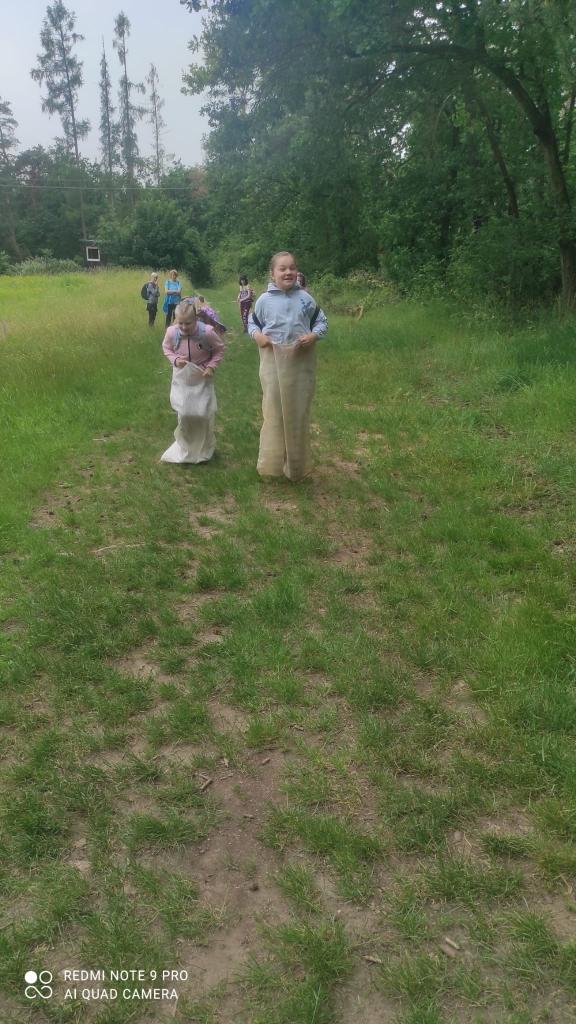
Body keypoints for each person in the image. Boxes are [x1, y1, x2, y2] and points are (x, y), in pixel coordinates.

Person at [248, 251, 327, 481]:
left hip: (300, 364)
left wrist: (313, 335)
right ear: (272, 274)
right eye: (282, 268)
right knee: (274, 411)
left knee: (297, 411)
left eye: (292, 268)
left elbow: (322, 322)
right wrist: (258, 336)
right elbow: (252, 323)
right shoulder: (264, 301)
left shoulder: (305, 299)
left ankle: (296, 466)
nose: (288, 272)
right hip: (272, 363)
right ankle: (272, 465)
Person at [160, 298, 225, 464]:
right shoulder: (172, 333)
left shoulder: (207, 333)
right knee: (185, 412)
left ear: (195, 319)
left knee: (202, 412)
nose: (183, 327)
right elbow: (166, 348)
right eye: (180, 323)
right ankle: (186, 447)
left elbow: (219, 349)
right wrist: (175, 360)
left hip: (201, 376)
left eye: (188, 323)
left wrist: (211, 367)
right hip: (182, 376)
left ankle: (204, 447)